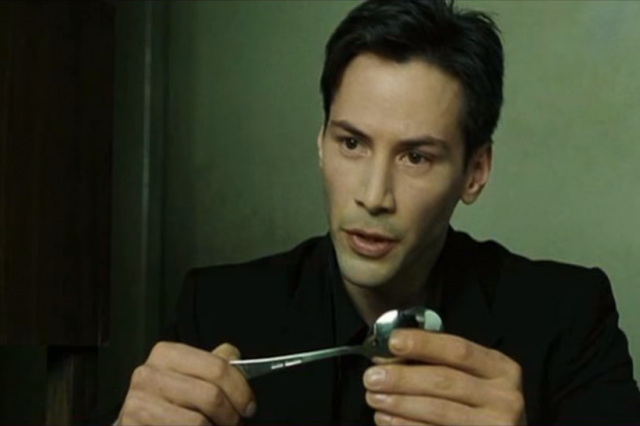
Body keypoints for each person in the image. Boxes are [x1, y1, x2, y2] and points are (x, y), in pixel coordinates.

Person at [115, 0, 640, 424]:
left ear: (475, 172)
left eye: (416, 157)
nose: (373, 195)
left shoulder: (568, 319)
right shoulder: (218, 309)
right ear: (321, 144)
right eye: (352, 143)